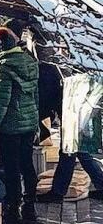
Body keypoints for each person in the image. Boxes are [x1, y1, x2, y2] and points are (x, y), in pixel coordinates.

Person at [0, 25, 40, 219]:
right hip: (29, 122)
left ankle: (14, 201)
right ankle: (30, 197)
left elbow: (1, 102)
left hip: (10, 126)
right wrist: (37, 122)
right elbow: (35, 95)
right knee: (26, 162)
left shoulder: (4, 68)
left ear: (0, 45)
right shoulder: (30, 61)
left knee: (11, 165)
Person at [39, 72, 103, 203]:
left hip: (74, 112)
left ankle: (57, 193)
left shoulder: (45, 76)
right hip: (80, 109)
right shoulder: (53, 72)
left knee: (69, 153)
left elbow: (48, 104)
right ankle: (101, 186)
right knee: (80, 152)